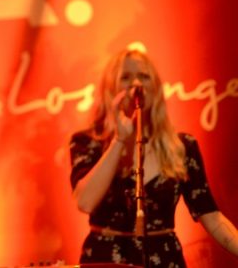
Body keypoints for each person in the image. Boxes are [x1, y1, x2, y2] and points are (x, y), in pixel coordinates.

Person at [69, 48, 238, 267]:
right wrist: (119, 141)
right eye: (126, 77)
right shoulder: (88, 141)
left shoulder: (182, 146)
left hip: (165, 260)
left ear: (156, 88)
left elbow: (211, 216)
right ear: (111, 89)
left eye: (144, 76)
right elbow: (85, 201)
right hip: (107, 258)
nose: (136, 83)